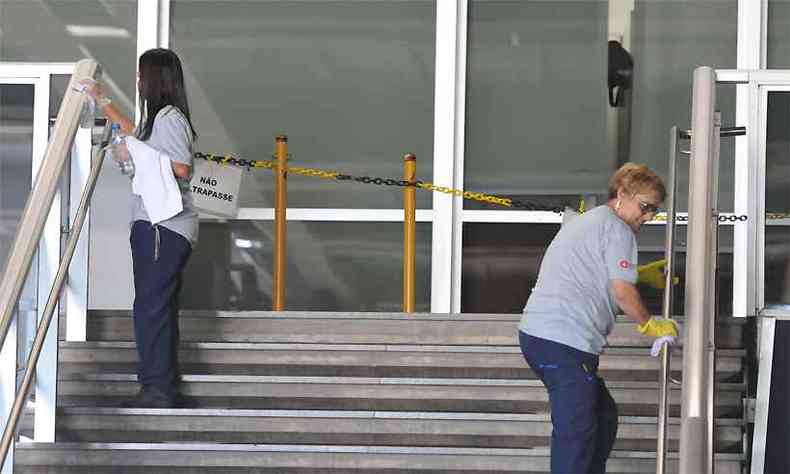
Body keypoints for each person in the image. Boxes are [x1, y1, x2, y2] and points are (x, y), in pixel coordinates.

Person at [518, 163, 679, 474]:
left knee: (602, 417)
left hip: (546, 337)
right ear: (621, 194)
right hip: (561, 341)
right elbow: (621, 292)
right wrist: (650, 324)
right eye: (645, 208)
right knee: (576, 432)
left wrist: (640, 277)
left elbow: (600, 275)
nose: (647, 218)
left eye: (655, 211)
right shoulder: (619, 229)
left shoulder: (593, 220)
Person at [83, 48, 198, 408]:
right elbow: (140, 143)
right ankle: (159, 385)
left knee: (150, 308)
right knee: (154, 307)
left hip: (163, 226)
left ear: (155, 78)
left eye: (141, 74)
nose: (137, 81)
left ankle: (158, 389)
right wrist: (127, 151)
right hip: (155, 225)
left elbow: (181, 168)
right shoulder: (157, 121)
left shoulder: (169, 118)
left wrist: (137, 150)